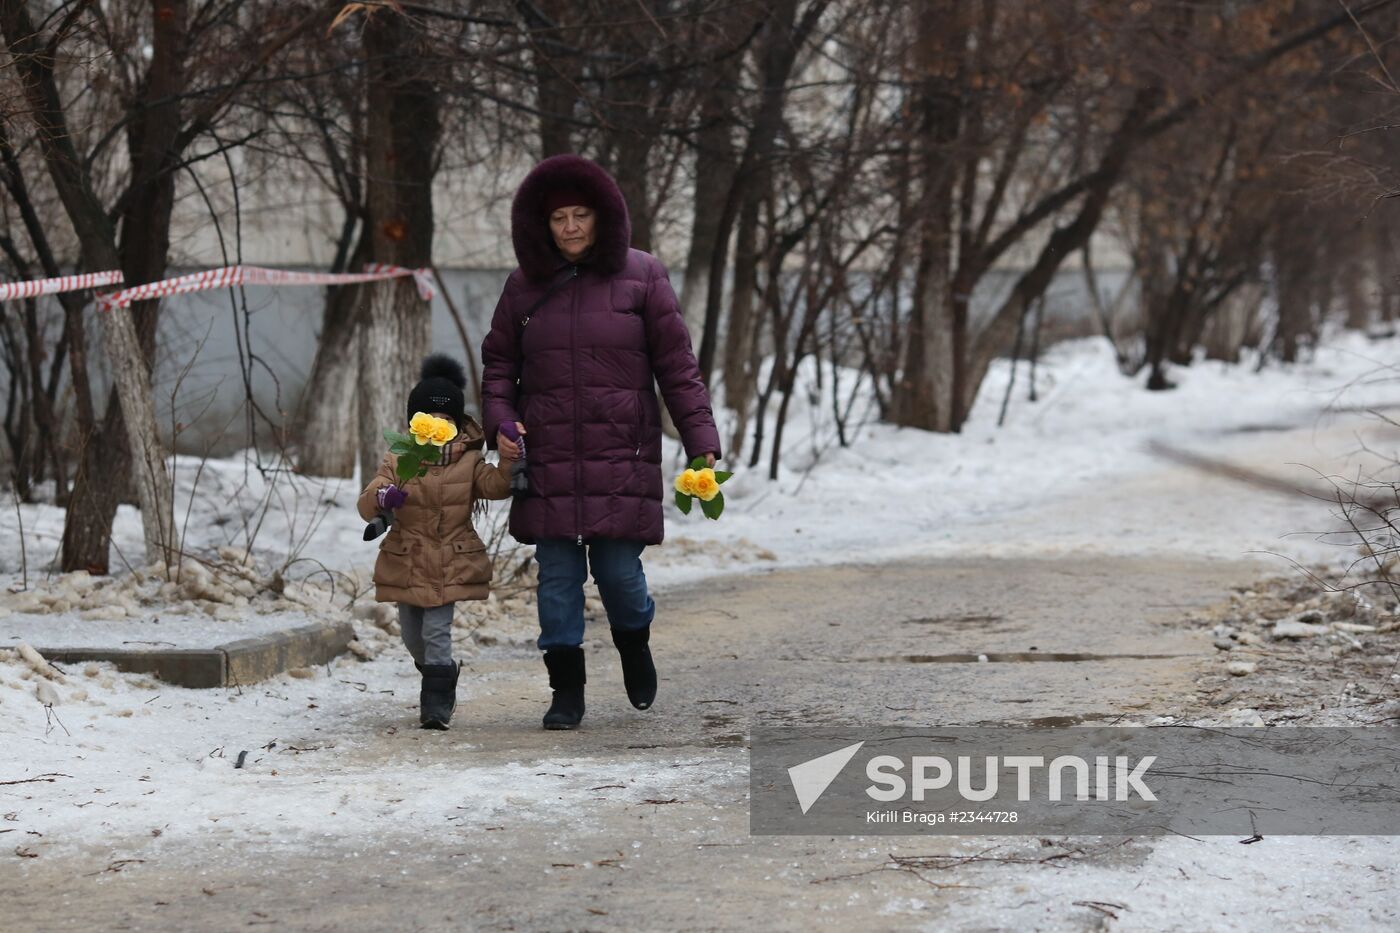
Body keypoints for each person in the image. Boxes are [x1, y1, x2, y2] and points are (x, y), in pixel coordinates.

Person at [481, 153, 721, 730]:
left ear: (602, 217)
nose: (569, 228)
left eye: (580, 215)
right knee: (557, 578)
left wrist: (700, 440)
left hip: (622, 455)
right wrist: (501, 423)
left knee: (619, 573)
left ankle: (634, 643)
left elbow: (677, 367)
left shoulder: (643, 276)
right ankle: (566, 691)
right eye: (558, 217)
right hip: (550, 460)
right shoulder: (522, 287)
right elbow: (498, 368)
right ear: (541, 224)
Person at [357, 354, 517, 730]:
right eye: (430, 419)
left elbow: (496, 486)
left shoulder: (470, 461)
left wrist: (509, 463)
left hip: (450, 557)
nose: (438, 426)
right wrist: (383, 498)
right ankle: (441, 674)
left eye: (447, 420)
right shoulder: (399, 457)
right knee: (413, 637)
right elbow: (370, 495)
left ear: (458, 423)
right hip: (406, 557)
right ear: (416, 423)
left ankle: (435, 704)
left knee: (436, 631)